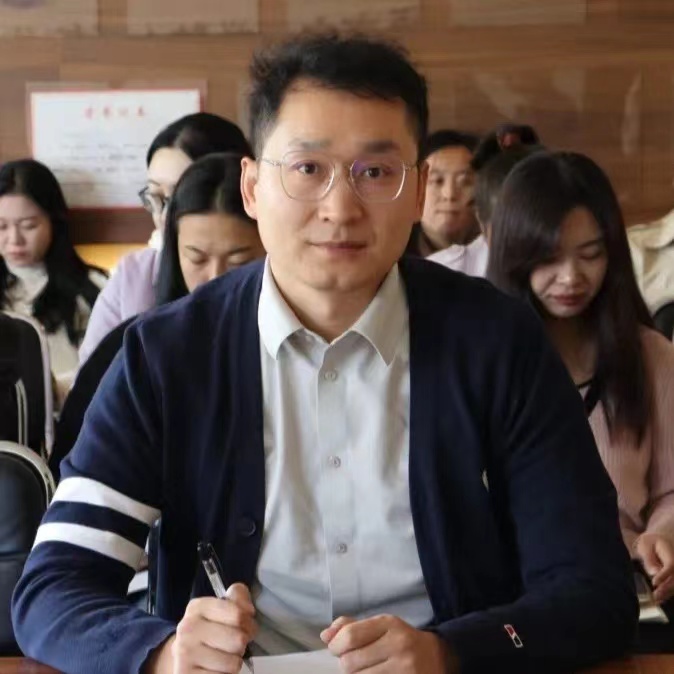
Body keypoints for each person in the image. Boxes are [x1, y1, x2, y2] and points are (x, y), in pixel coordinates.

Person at [13, 33, 636, 674]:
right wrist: (162, 653)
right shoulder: (166, 355)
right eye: (307, 169)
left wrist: (452, 651)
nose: (340, 209)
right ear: (252, 187)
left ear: (418, 191)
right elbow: (53, 590)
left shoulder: (498, 342)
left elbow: (594, 588)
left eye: (377, 172)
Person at [487, 150, 674, 608]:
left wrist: (660, 535)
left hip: (621, 587)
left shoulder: (649, 356)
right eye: (549, 258)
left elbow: (670, 490)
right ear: (515, 256)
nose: (571, 277)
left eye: (591, 255)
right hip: (513, 594)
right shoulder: (484, 361)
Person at [50, 152, 265, 481]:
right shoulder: (138, 346)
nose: (215, 278)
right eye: (197, 258)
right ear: (173, 252)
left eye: (239, 262)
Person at [78, 112, 251, 364]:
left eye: (182, 196)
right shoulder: (132, 275)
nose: (165, 216)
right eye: (156, 196)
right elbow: (91, 376)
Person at [0, 159, 106, 400]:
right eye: (1, 226)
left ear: (54, 222)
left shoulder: (94, 288)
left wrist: (50, 390)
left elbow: (105, 368)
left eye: (28, 226)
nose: (14, 239)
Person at [405, 129, 480, 257]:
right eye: (436, 181)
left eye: (465, 182)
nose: (449, 195)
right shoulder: (392, 257)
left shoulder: (497, 257)